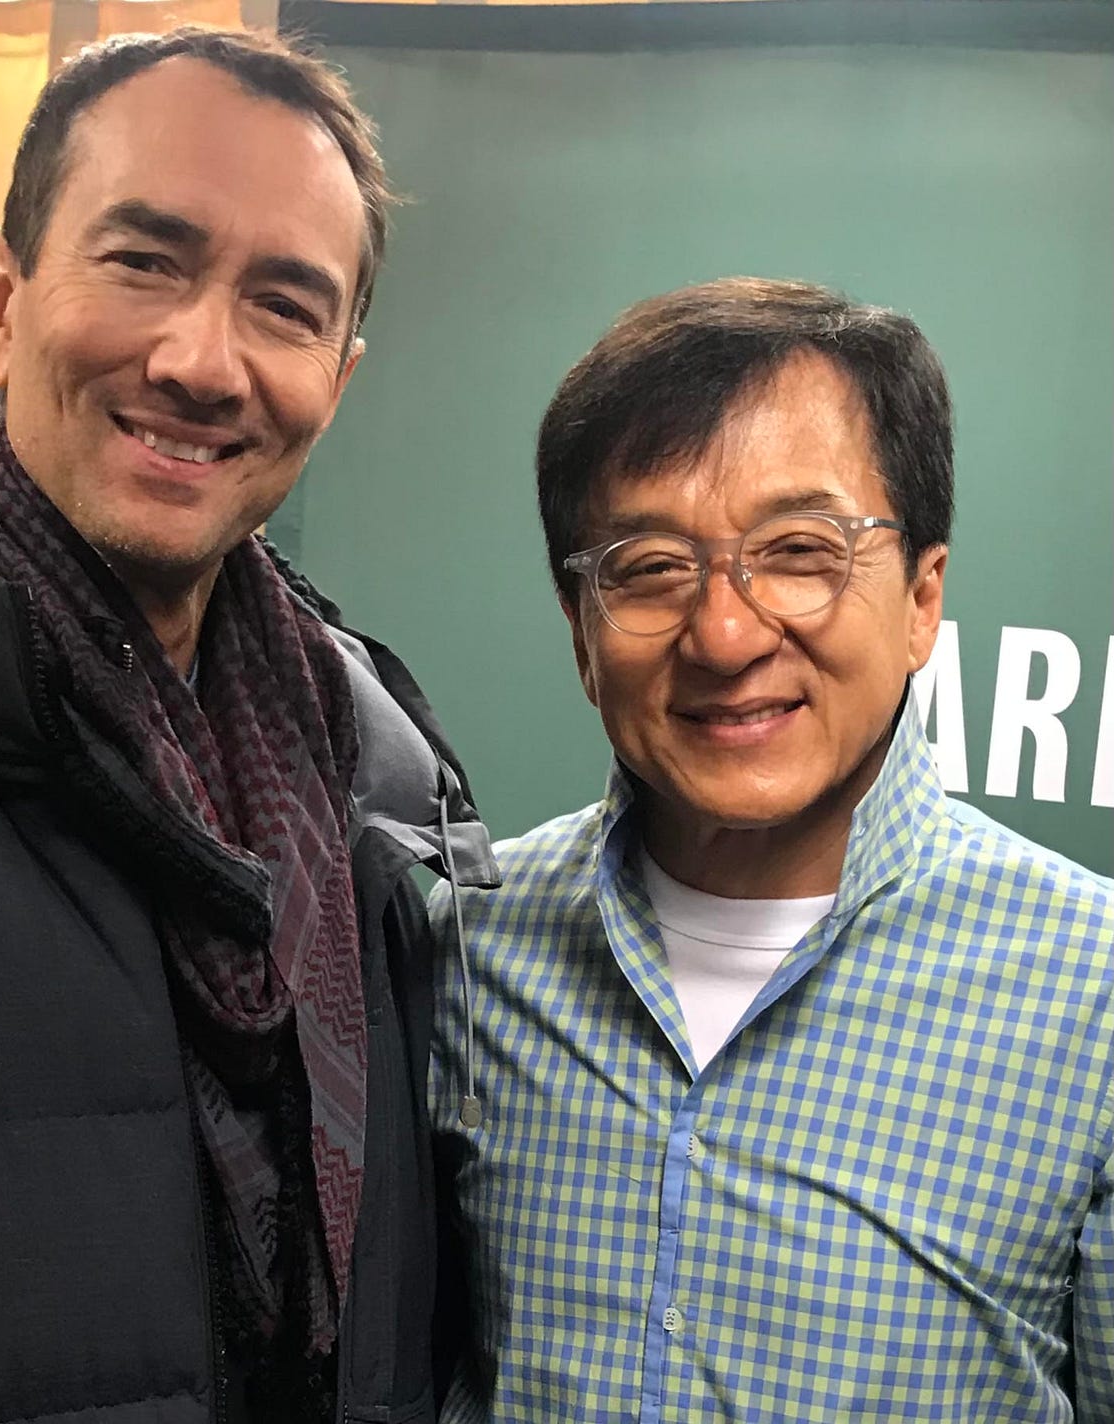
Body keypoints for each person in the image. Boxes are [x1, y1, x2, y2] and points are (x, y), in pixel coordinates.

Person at [0, 25, 498, 1423]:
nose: (203, 361)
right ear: (0, 295)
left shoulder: (370, 775)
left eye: (284, 306)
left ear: (337, 380)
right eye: (143, 262)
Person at [430, 277, 1113, 1422]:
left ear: (920, 599)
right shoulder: (463, 942)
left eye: (799, 550)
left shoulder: (1091, 992)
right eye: (649, 564)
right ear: (580, 631)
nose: (724, 631)